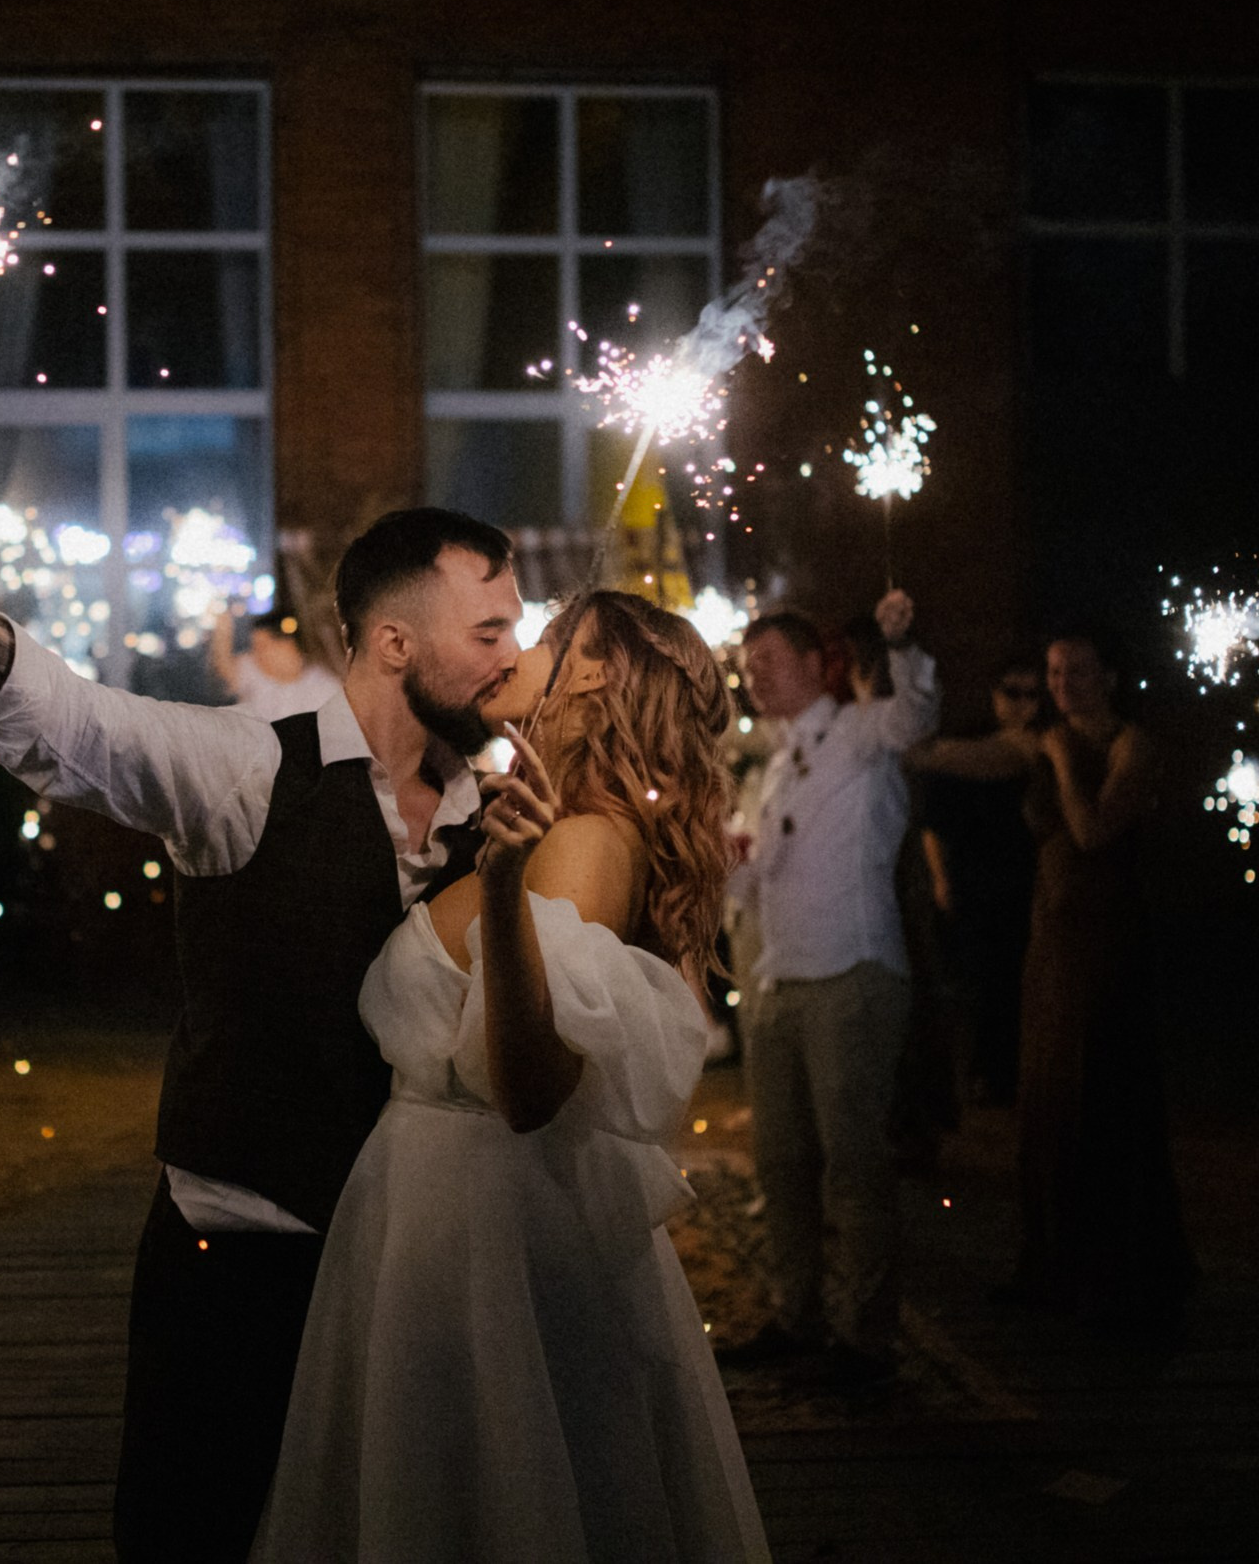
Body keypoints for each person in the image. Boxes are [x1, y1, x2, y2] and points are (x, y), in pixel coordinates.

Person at [0, 449, 519, 1560]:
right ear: (397, 644)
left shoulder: (493, 809)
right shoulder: (246, 767)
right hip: (243, 1257)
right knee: (194, 1533)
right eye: (490, 633)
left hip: (419, 1267)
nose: (515, 658)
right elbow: (69, 726)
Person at [251, 590, 769, 1561]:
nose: (518, 646)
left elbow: (528, 1091)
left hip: (481, 1220)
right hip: (455, 1206)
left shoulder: (582, 843)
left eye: (550, 631)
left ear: (596, 671)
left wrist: (496, 886)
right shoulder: (573, 822)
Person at [718, 591, 937, 1386]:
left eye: (770, 661)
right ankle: (796, 1312)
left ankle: (868, 1335)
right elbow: (746, 882)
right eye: (749, 667)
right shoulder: (771, 767)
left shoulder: (860, 732)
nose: (757, 677)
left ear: (817, 663)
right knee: (780, 1161)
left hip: (851, 971)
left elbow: (914, 712)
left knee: (853, 1162)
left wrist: (903, 643)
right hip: (776, 979)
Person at [997, 630, 1192, 1328]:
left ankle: (1112, 1272)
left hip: (1105, 944)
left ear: (1109, 673)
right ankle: (1048, 1260)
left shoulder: (1130, 744)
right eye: (1053, 670)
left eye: (1076, 669)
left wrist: (1058, 758)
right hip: (1051, 940)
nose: (1062, 682)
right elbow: (974, 757)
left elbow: (1092, 831)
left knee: (1098, 1094)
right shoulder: (1045, 736)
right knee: (1044, 1099)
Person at [910, 658, 1047, 1105]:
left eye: (1032, 694)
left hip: (1023, 882)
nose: (1023, 704)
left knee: (1013, 983)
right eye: (1013, 692)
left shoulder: (1037, 743)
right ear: (994, 694)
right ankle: (982, 1078)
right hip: (974, 883)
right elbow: (937, 819)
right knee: (976, 984)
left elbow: (987, 760)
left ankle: (1004, 1079)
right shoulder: (973, 738)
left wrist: (907, 748)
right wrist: (942, 879)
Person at [210, 603, 340, 721]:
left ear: (287, 646)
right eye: (255, 648)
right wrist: (222, 630)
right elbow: (225, 668)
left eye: (263, 647)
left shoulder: (326, 689)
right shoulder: (254, 671)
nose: (257, 654)